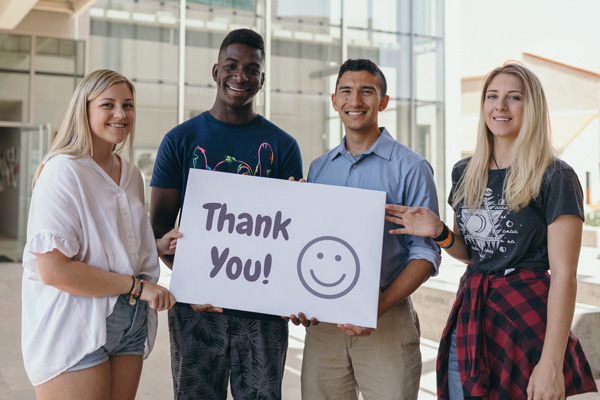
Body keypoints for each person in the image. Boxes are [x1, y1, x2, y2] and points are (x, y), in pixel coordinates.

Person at [386, 62, 598, 400]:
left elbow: (564, 275)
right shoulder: (465, 171)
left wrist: (551, 361)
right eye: (492, 96)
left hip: (527, 321)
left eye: (514, 97)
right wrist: (439, 230)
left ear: (532, 108)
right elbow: (472, 254)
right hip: (471, 314)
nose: (500, 106)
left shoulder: (555, 176)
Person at [149, 28, 303, 399]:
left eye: (252, 69)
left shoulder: (283, 146)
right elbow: (159, 228)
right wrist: (196, 280)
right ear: (216, 70)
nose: (241, 76)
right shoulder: (180, 140)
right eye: (232, 66)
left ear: (262, 79)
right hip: (197, 308)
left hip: (263, 312)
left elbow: (291, 233)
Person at [21, 69, 181, 400]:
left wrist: (155, 247)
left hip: (131, 320)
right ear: (85, 109)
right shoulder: (62, 172)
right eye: (108, 104)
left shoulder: (131, 173)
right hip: (76, 321)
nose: (121, 114)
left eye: (128, 105)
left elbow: (107, 243)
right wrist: (140, 286)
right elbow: (55, 270)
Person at [291, 59, 441, 400]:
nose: (355, 101)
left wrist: (379, 306)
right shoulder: (318, 169)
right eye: (346, 91)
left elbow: (426, 253)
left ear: (383, 102)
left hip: (386, 318)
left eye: (366, 92)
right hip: (323, 328)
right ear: (334, 100)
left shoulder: (412, 168)